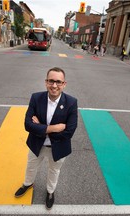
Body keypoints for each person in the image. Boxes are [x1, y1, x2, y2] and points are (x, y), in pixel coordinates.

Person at [14, 67, 78, 210]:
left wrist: (40, 128)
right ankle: (28, 183)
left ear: (64, 84)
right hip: (37, 144)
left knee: (54, 171)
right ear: (46, 82)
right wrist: (53, 128)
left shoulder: (71, 102)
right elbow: (27, 125)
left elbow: (69, 131)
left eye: (58, 82)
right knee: (31, 166)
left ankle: (50, 191)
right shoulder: (36, 98)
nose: (54, 85)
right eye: (51, 81)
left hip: (58, 147)